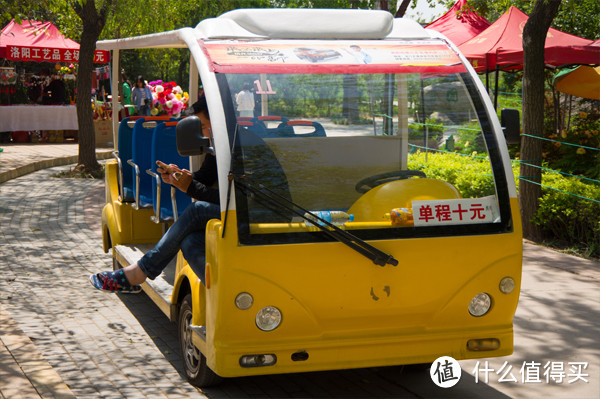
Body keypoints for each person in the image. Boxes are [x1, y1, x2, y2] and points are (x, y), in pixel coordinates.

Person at [89, 96, 220, 293]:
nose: (201, 134)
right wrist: (180, 178)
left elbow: (234, 200)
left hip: (254, 213)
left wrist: (190, 187)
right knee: (189, 241)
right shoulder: (217, 147)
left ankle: (139, 272)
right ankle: (219, 290)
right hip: (235, 211)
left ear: (217, 121)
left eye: (202, 126)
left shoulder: (239, 146)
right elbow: (204, 178)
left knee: (197, 210)